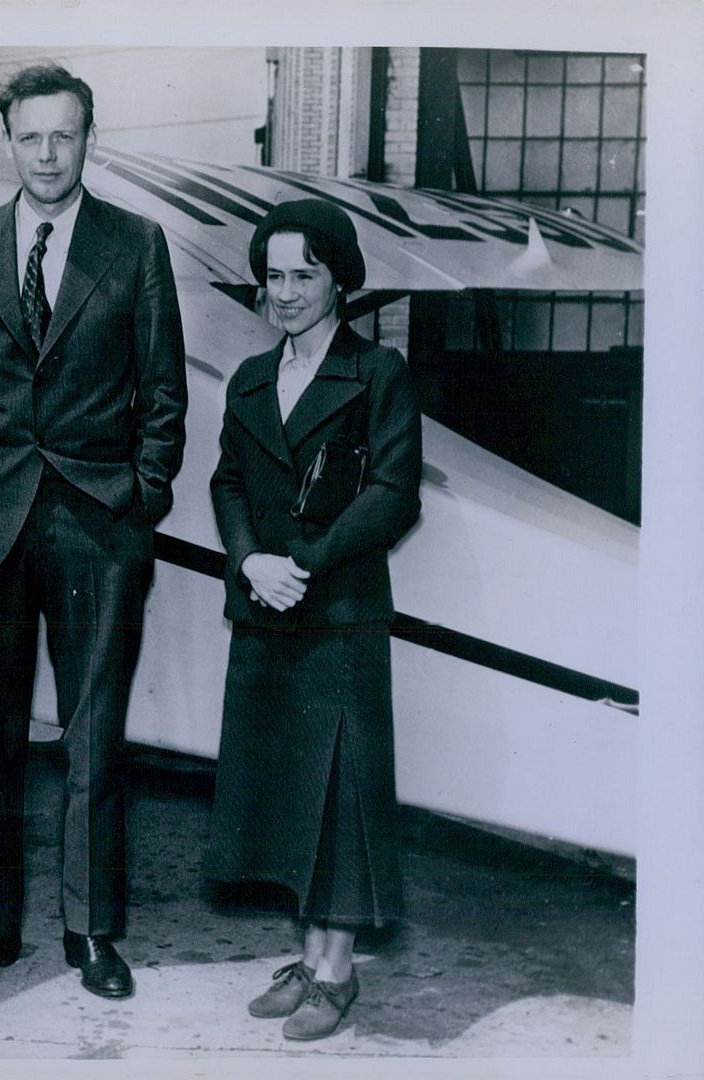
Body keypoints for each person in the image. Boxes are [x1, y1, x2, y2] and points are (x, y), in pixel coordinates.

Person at [0, 62, 187, 1000]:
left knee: (92, 740)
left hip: (96, 526)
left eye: (62, 136)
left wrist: (138, 498)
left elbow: (164, 392)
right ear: (8, 142)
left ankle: (92, 933)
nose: (45, 154)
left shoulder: (136, 245)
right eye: (29, 137)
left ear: (88, 140)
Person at [205, 198, 422, 1040]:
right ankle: (310, 953)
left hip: (337, 611)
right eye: (273, 275)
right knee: (289, 795)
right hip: (267, 607)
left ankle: (336, 973)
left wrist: (306, 561)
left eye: (304, 274)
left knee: (336, 797)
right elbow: (227, 481)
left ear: (339, 282)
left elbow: (392, 492)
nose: (285, 291)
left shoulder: (379, 374)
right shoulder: (252, 378)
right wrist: (248, 558)